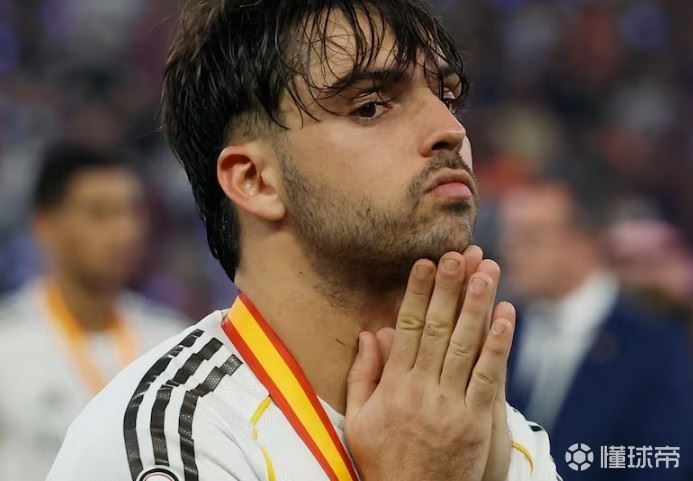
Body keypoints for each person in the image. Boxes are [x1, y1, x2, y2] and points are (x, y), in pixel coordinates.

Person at [49, 2, 560, 480]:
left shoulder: (494, 436)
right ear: (255, 180)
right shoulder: (168, 440)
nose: (450, 129)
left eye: (448, 98)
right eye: (370, 106)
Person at [0, 142, 187, 481]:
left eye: (132, 212)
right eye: (100, 213)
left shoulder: (173, 342)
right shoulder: (7, 346)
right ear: (45, 225)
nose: (124, 231)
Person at [499, 180, 692, 481]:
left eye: (530, 236)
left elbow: (665, 460)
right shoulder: (503, 332)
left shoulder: (656, 348)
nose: (511, 249)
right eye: (509, 234)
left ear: (584, 241)